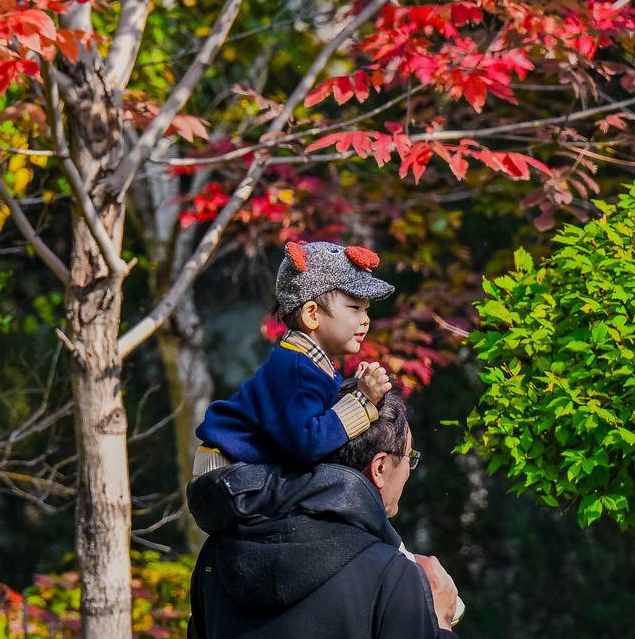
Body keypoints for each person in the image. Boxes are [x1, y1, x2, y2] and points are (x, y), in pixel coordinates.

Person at [187, 394, 460, 639]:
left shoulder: (215, 559)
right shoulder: (393, 575)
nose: (409, 470)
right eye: (409, 457)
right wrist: (439, 623)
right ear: (379, 467)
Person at [192, 241, 396, 475]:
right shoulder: (297, 370)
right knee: (340, 489)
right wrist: (361, 400)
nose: (365, 319)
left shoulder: (310, 364)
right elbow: (306, 445)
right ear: (312, 315)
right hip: (231, 475)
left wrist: (355, 391)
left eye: (366, 310)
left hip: (245, 474)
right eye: (355, 307)